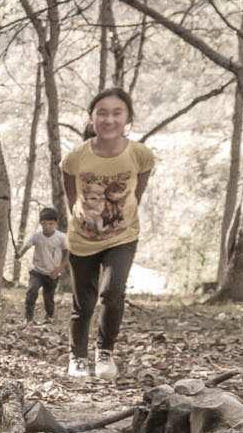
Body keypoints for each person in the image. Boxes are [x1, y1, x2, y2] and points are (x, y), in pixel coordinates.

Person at [60, 86, 155, 379]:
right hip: (83, 239)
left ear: (127, 118)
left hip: (122, 236)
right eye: (102, 112)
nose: (109, 119)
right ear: (92, 117)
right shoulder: (75, 158)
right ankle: (77, 358)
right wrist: (85, 218)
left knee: (112, 294)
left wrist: (117, 214)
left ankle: (105, 352)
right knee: (84, 303)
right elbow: (71, 194)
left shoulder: (140, 155)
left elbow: (137, 191)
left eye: (117, 113)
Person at [18, 207, 68, 324]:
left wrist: (59, 269)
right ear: (40, 223)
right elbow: (25, 248)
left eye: (51, 224)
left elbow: (70, 255)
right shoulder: (37, 236)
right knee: (32, 291)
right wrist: (18, 255)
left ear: (56, 223)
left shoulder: (61, 237)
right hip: (37, 271)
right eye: (44, 224)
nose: (47, 227)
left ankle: (49, 317)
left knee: (48, 297)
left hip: (52, 273)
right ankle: (28, 318)